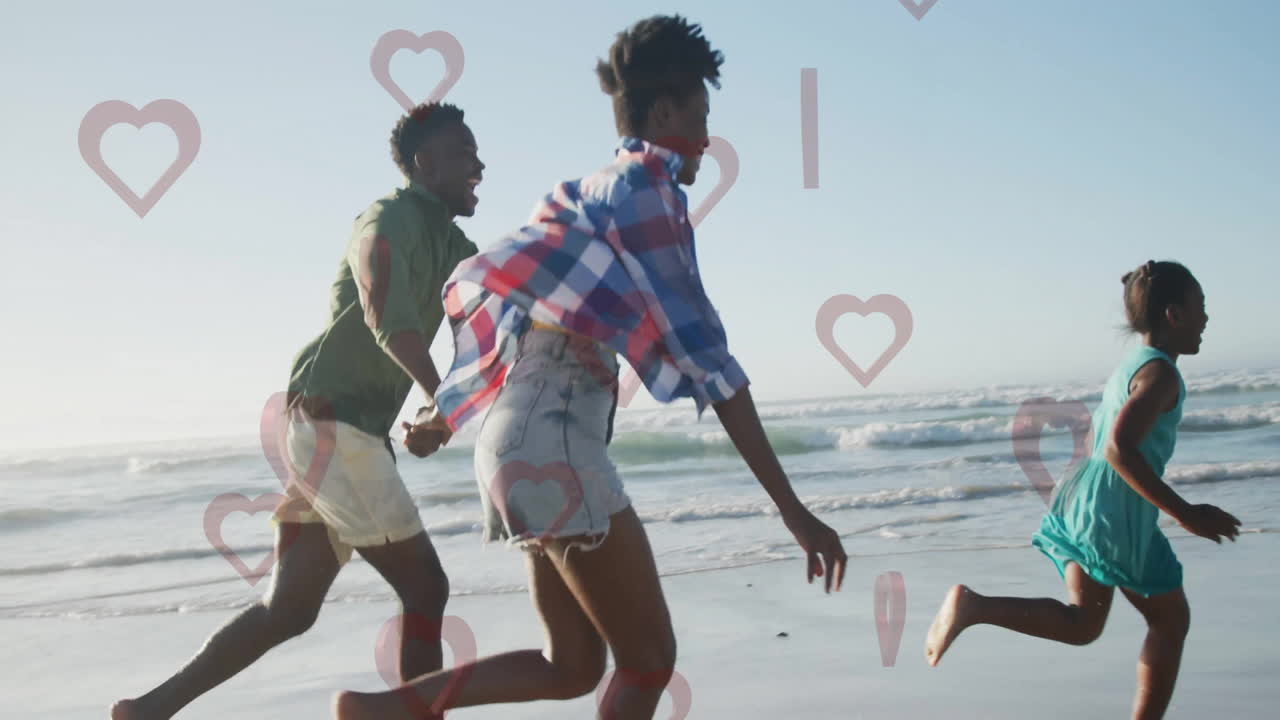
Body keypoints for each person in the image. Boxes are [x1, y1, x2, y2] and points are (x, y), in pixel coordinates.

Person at [332, 14, 848, 720]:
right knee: (649, 660)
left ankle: (382, 712)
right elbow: (713, 365)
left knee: (572, 664)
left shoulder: (578, 196)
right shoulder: (647, 195)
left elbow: (510, 327)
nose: (706, 138)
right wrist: (796, 513)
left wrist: (447, 413)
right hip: (557, 446)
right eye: (700, 117)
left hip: (512, 447)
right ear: (663, 115)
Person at [110, 102, 484, 720]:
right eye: (464, 153)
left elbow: (485, 318)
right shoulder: (387, 218)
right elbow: (384, 314)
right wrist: (441, 400)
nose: (480, 166)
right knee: (426, 588)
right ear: (425, 162)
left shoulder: (454, 245)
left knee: (289, 609)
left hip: (340, 432)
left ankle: (147, 710)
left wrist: (442, 411)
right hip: (334, 427)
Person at [924, 260, 1241, 720]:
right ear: (1174, 315)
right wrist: (1186, 513)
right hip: (1115, 509)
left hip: (1088, 496)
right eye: (1201, 308)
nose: (1206, 319)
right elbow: (1119, 448)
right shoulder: (1162, 376)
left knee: (1088, 622)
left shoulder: (1136, 364)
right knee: (1164, 620)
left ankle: (974, 606)